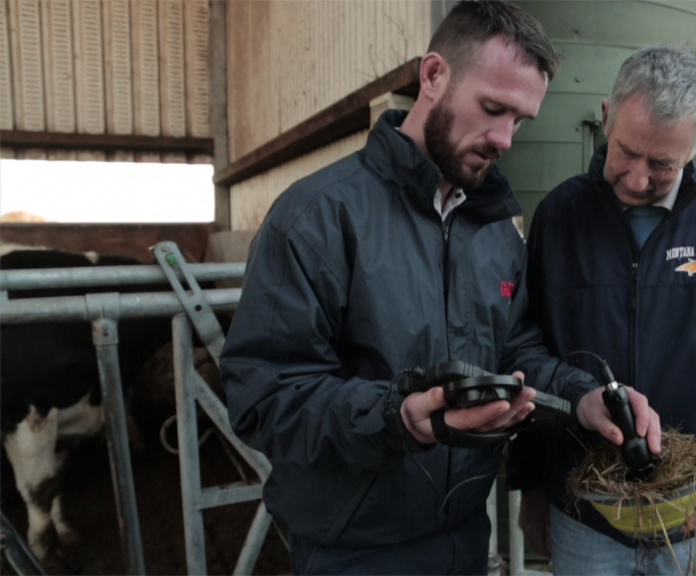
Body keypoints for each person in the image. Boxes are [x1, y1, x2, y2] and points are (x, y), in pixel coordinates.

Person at [218, 2, 660, 575]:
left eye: (520, 120)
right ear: (433, 76)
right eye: (492, 108)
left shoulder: (496, 229)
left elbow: (516, 350)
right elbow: (265, 395)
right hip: (354, 548)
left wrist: (582, 397)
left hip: (463, 538)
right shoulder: (317, 216)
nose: (504, 138)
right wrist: (397, 420)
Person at [508, 45, 696, 575]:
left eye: (664, 164)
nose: (638, 179)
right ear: (605, 116)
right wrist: (532, 483)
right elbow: (526, 346)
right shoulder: (559, 217)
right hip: (586, 513)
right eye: (625, 151)